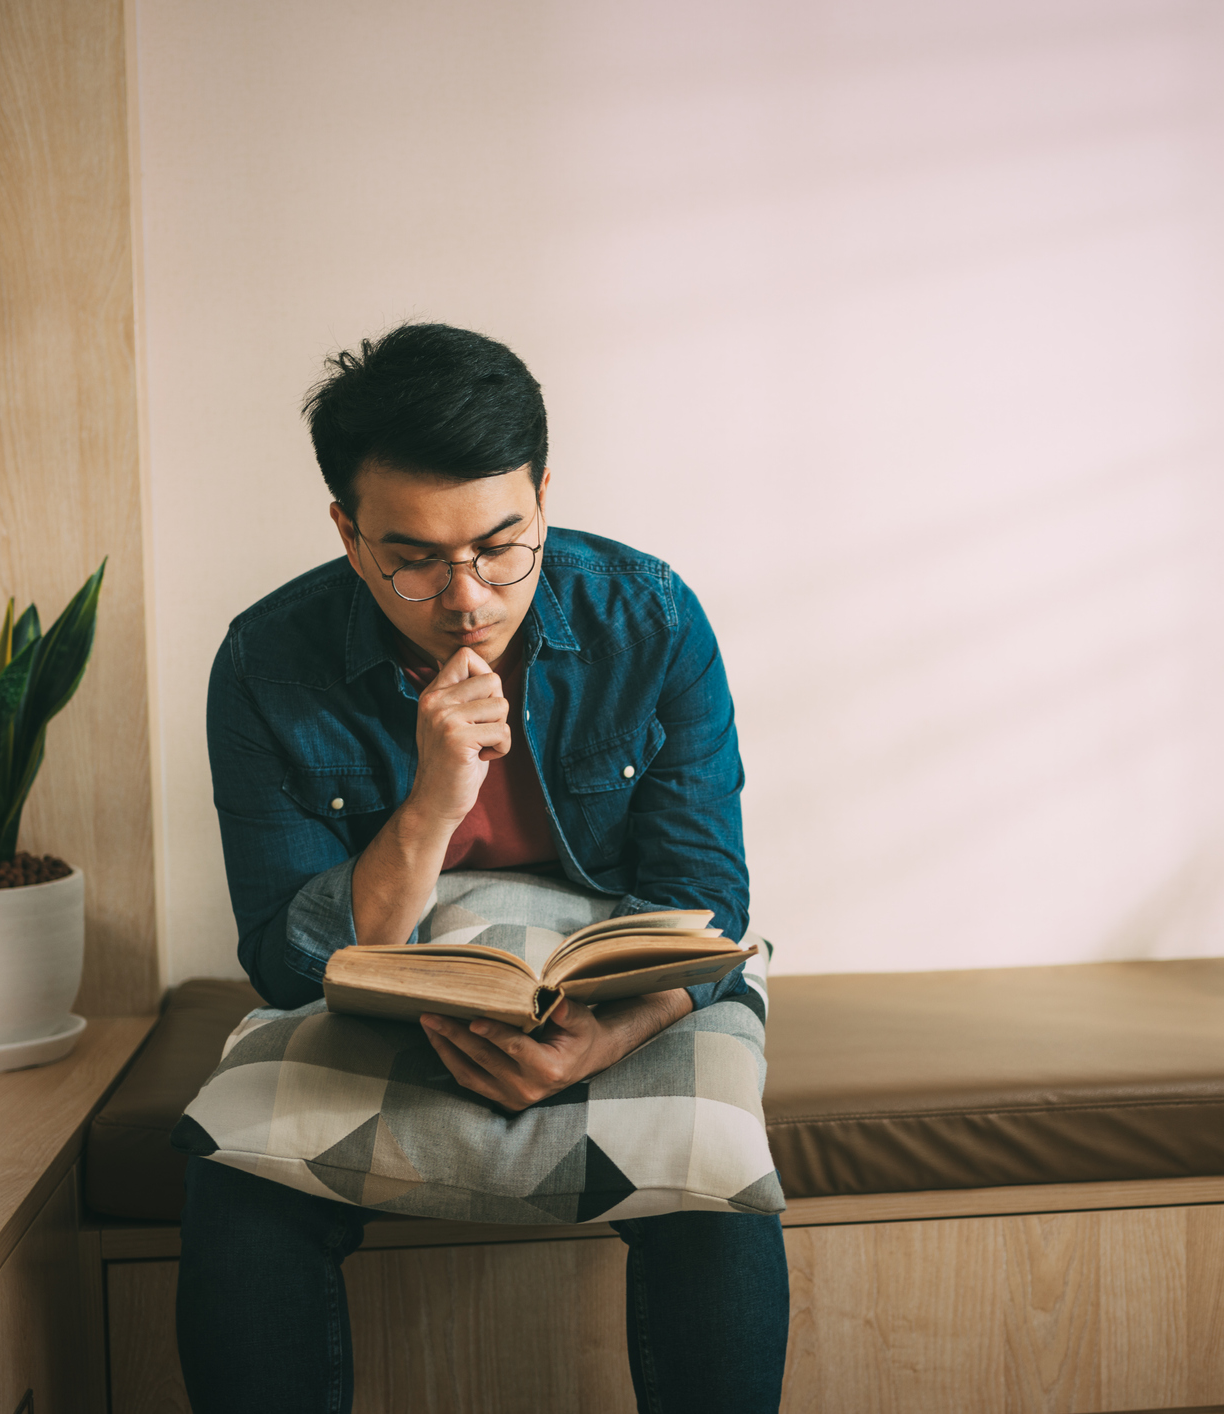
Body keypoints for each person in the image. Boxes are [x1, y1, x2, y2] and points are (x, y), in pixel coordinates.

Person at [179, 323, 789, 1413]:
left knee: (711, 1177)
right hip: (389, 970)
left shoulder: (649, 618)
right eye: (412, 556)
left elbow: (705, 898)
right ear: (347, 531)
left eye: (502, 545)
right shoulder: (266, 661)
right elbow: (282, 960)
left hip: (614, 981)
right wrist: (430, 800)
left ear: (544, 497)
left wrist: (603, 1034)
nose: (465, 597)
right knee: (237, 1184)